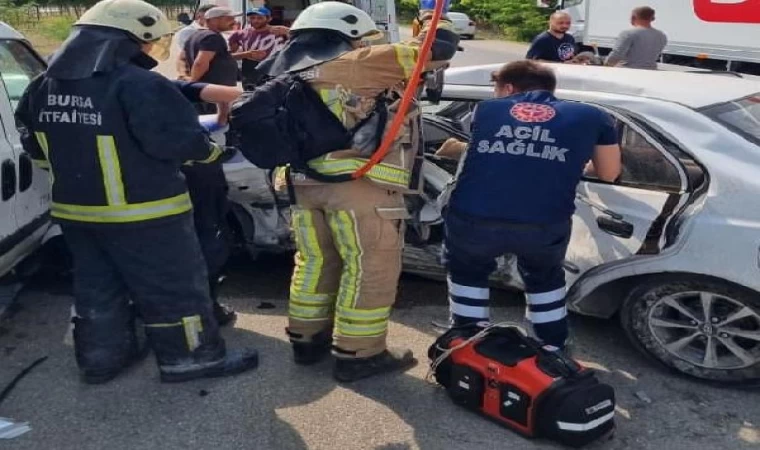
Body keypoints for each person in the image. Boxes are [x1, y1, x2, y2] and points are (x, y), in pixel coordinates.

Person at [14, 0, 259, 384]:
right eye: (145, 43)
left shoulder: (42, 87)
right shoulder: (139, 84)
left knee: (96, 287)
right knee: (176, 287)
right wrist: (214, 151)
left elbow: (35, 148)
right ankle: (192, 359)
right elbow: (180, 144)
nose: (148, 51)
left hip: (76, 214)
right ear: (127, 41)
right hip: (147, 214)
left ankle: (101, 359)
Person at [257, 1, 459, 382]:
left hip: (301, 186)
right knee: (370, 268)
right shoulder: (359, 62)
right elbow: (438, 47)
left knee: (314, 263)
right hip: (358, 189)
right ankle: (359, 353)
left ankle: (306, 340)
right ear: (349, 34)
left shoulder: (285, 67)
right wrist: (435, 13)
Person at [440, 61, 621, 350]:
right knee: (545, 282)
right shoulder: (593, 116)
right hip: (544, 222)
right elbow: (610, 172)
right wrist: (568, 159)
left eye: (495, 89)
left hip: (475, 218)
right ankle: (550, 349)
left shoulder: (485, 111)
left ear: (508, 88)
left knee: (468, 276)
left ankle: (469, 345)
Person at [179, 6, 240, 112]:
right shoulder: (212, 37)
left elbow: (181, 58)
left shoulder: (195, 35)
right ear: (214, 20)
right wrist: (192, 82)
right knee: (218, 123)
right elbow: (200, 63)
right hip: (214, 95)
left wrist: (184, 75)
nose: (234, 22)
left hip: (206, 92)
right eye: (229, 19)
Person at [229, 7, 289, 89]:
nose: (255, 21)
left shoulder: (280, 31)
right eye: (252, 18)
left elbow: (300, 44)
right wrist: (247, 54)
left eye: (260, 18)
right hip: (250, 72)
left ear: (269, 18)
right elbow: (229, 56)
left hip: (274, 69)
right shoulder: (239, 34)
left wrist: (288, 31)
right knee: (250, 97)